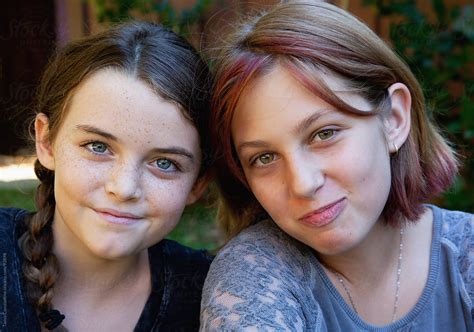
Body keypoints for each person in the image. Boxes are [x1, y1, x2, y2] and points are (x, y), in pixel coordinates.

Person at [200, 2, 472, 331]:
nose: (303, 183)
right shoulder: (253, 276)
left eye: (324, 134)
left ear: (394, 120)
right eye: (265, 158)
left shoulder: (465, 255)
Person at [0, 21, 213, 331]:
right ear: (46, 141)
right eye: (98, 146)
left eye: (165, 163)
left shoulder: (211, 299)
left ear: (198, 183)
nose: (124, 188)